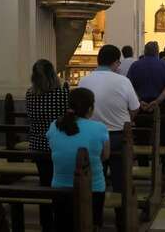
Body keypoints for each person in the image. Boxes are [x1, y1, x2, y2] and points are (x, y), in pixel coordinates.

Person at [78, 44, 141, 230]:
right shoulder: (122, 81)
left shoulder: (84, 81)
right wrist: (127, 119)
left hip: (91, 135)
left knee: (96, 180)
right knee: (121, 179)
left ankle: (95, 219)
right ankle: (121, 220)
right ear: (115, 62)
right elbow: (135, 107)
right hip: (118, 136)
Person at [47, 87, 110, 230]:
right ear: (90, 108)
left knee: (63, 225)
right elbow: (105, 156)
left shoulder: (55, 125)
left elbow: (54, 149)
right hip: (93, 188)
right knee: (92, 224)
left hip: (60, 188)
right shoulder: (99, 128)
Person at [25, 59, 69, 231]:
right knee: (60, 183)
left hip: (37, 144)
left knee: (44, 183)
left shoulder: (30, 94)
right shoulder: (63, 94)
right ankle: (60, 220)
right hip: (59, 144)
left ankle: (46, 223)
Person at [127, 41, 165, 145]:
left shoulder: (135, 65)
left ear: (144, 51)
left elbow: (129, 85)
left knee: (142, 133)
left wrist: (139, 101)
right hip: (160, 106)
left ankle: (142, 159)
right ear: (157, 52)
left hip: (140, 106)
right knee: (163, 131)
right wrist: (157, 101)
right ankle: (164, 157)